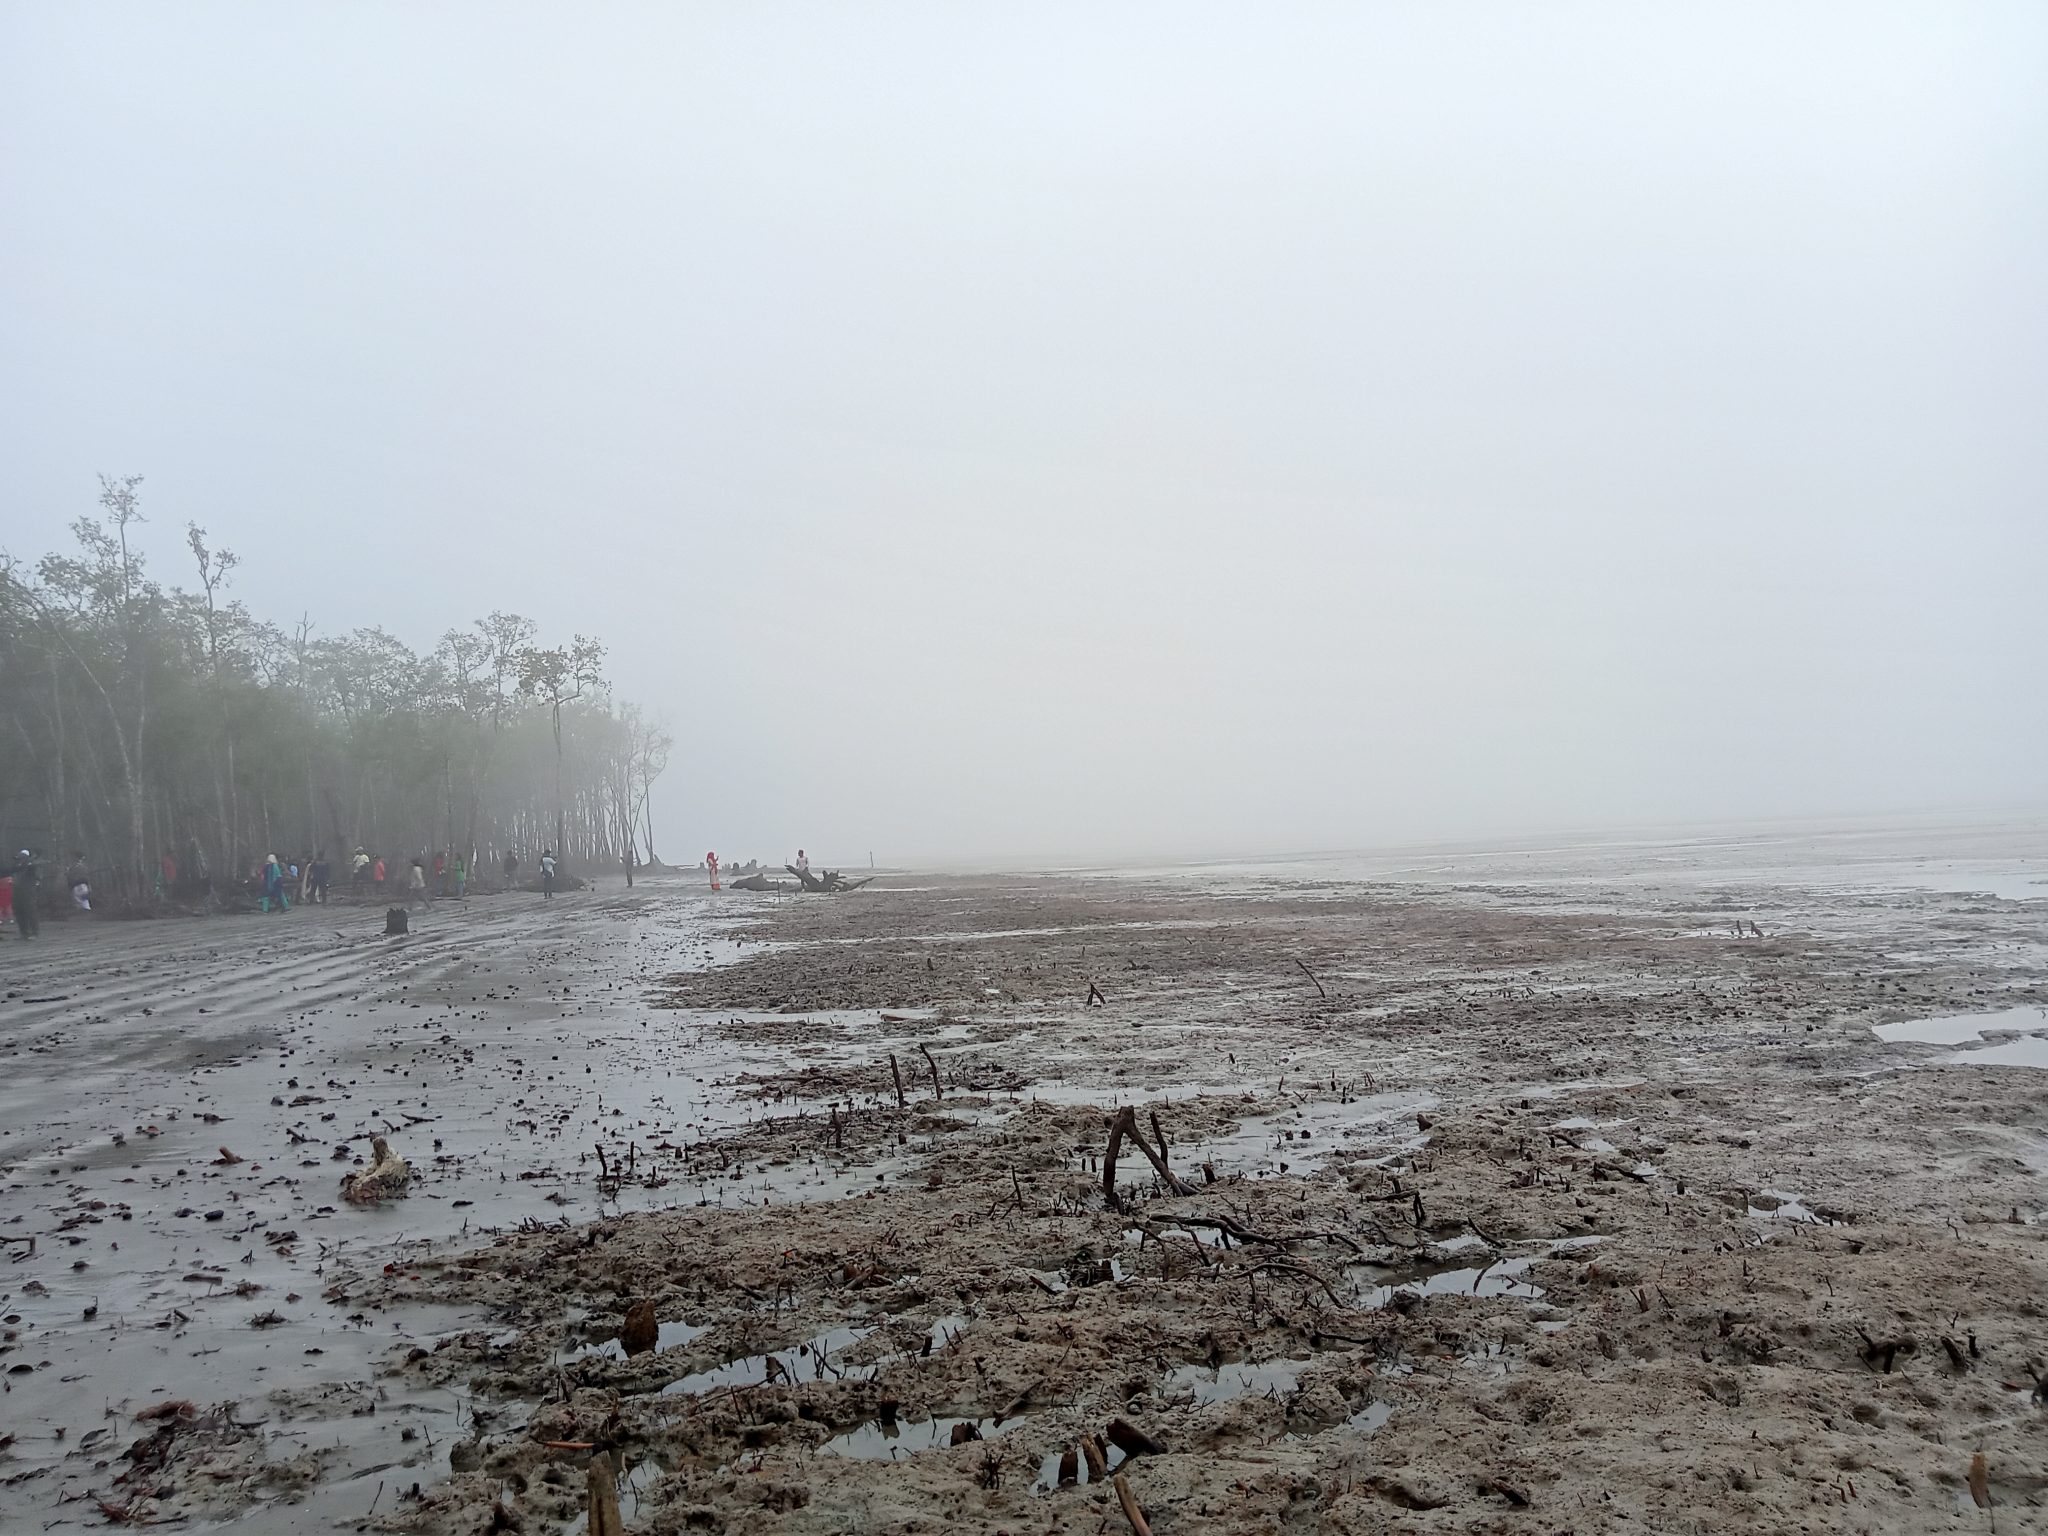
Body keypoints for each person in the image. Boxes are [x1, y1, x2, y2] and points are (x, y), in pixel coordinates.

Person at [1, 852, 38, 938]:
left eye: (20, 858)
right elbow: (7, 872)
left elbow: (36, 872)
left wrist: (29, 863)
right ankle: (24, 932)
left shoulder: (31, 867)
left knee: (30, 912)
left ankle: (34, 932)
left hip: (27, 892)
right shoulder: (16, 868)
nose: (18, 860)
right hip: (16, 892)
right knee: (19, 913)